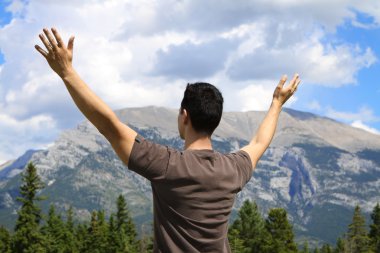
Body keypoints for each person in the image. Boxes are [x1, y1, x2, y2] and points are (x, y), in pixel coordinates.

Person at [35, 28, 300, 252]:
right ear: (215, 121)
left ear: (184, 116)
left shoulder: (167, 165)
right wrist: (277, 103)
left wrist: (67, 72)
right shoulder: (233, 169)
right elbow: (259, 143)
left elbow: (109, 126)